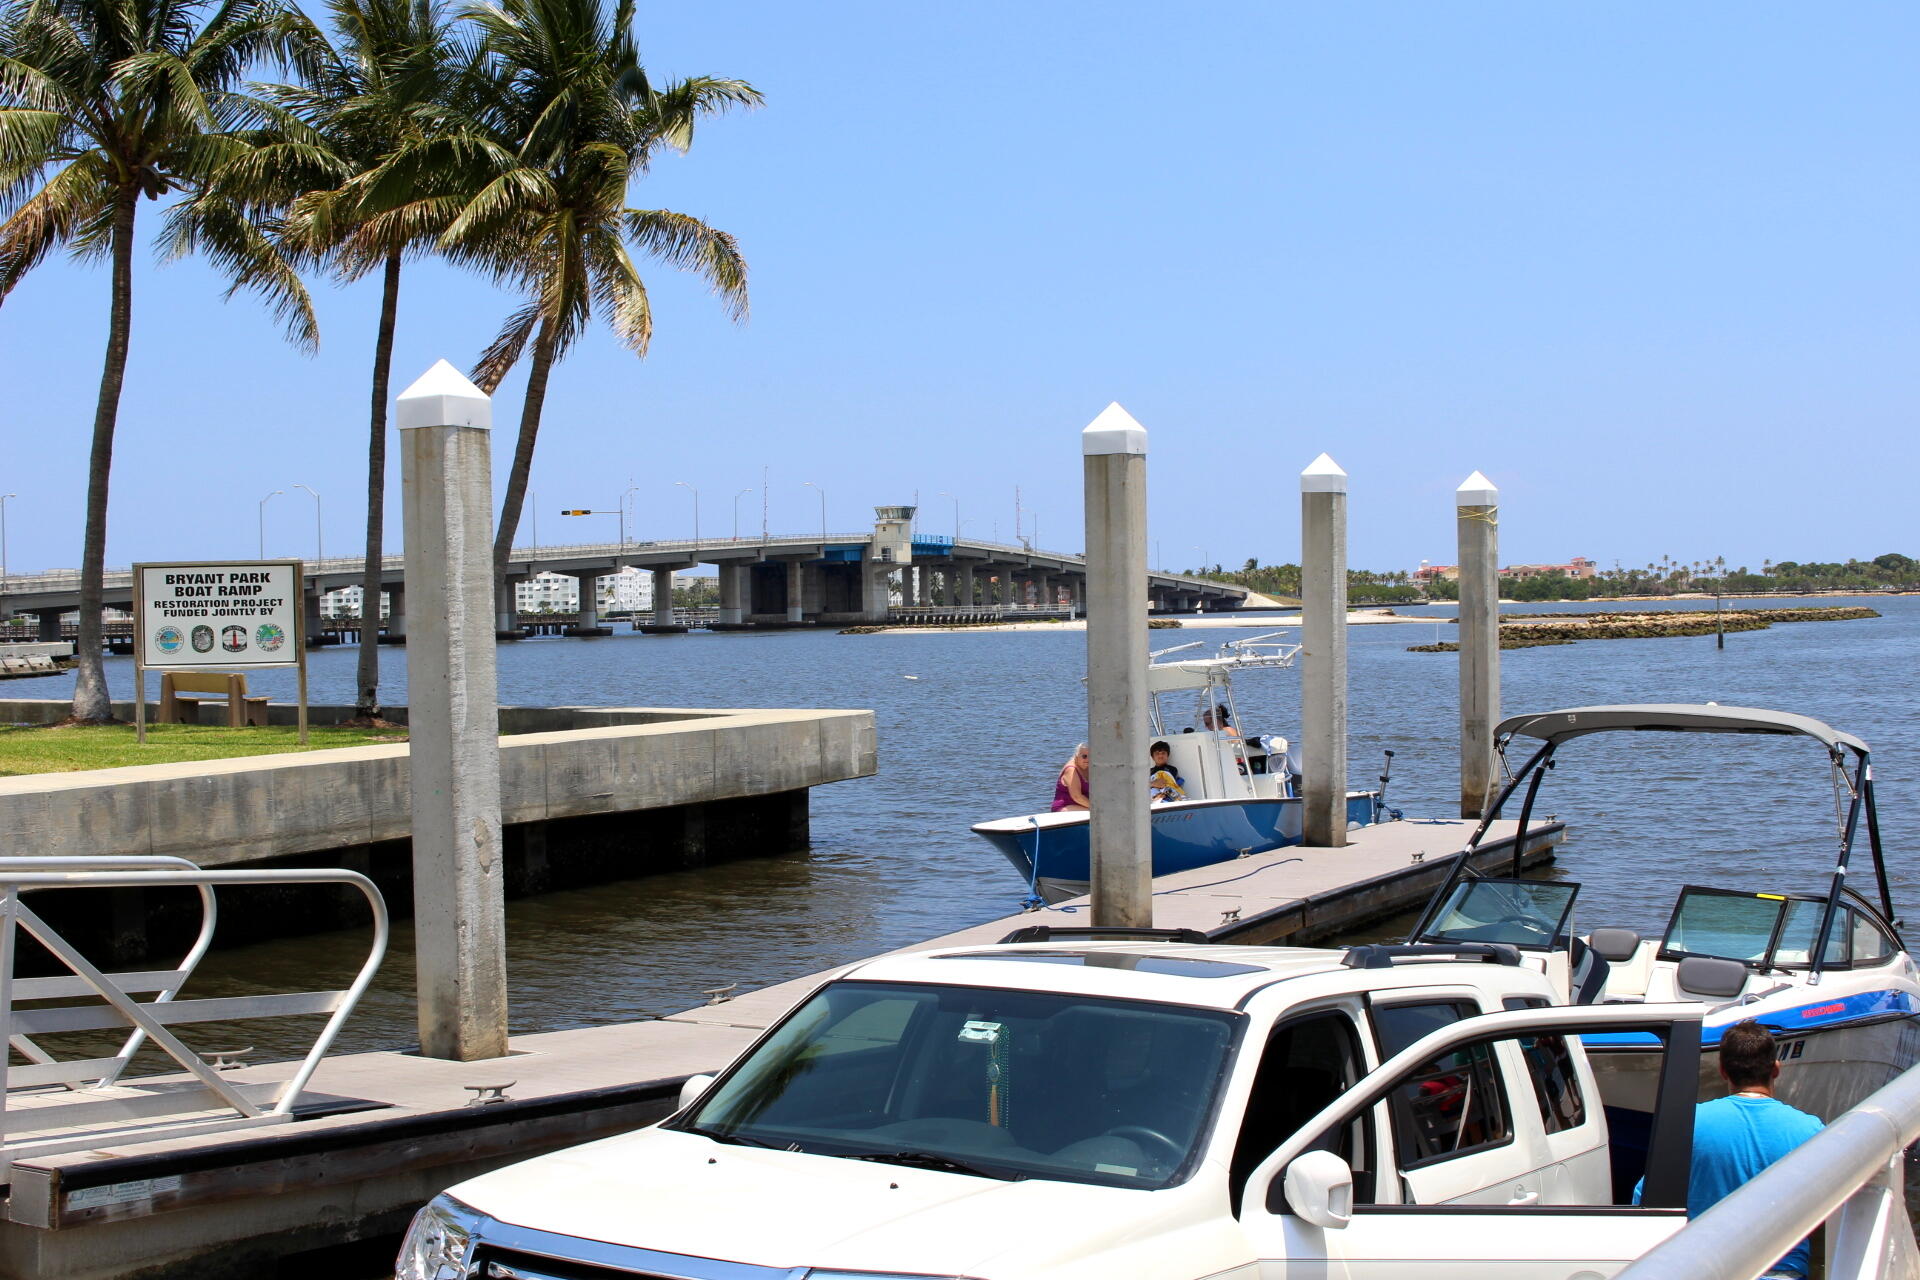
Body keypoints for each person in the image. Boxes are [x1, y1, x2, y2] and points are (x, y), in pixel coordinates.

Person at [1636, 1019, 1823, 1279]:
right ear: (1776, 1069)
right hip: (1782, 1272)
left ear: (1723, 1070)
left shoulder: (1688, 1123)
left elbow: (1644, 1198)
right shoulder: (1811, 1130)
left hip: (1705, 1270)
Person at [1052, 743, 1090, 811]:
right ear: (1076, 756)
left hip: (1082, 805)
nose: (1087, 759)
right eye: (1084, 756)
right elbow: (1077, 797)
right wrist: (1097, 807)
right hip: (1065, 806)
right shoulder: (1071, 770)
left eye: (1091, 756)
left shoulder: (1089, 766)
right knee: (1098, 812)